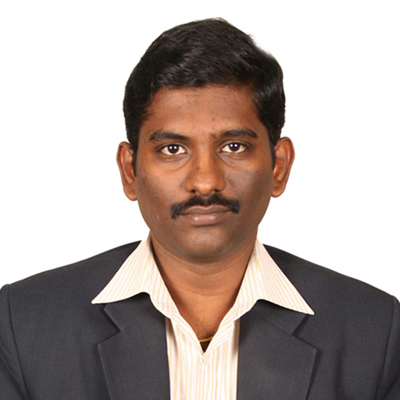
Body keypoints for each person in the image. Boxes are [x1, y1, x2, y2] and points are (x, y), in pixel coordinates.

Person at [0, 18, 399, 400]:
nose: (205, 182)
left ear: (279, 166)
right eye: (172, 149)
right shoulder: (24, 323)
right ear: (129, 171)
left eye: (234, 147)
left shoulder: (374, 330)